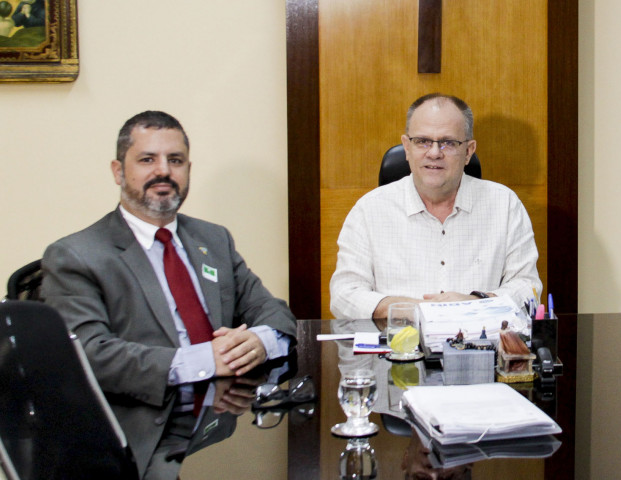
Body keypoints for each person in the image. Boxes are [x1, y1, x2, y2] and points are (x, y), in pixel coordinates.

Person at [41, 110, 297, 479]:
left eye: (175, 160)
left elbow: (272, 310)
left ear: (188, 169)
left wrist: (259, 341)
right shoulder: (77, 255)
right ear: (117, 170)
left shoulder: (213, 239)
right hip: (135, 434)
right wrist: (201, 360)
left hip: (218, 420)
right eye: (147, 160)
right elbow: (89, 355)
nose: (163, 171)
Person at [330, 93, 542, 330]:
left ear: (469, 151)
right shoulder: (369, 210)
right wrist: (406, 308)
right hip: (395, 352)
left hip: (480, 351)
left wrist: (475, 303)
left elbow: (528, 287)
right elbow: (343, 294)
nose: (434, 153)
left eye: (448, 143)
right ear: (407, 147)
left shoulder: (504, 204)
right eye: (422, 141)